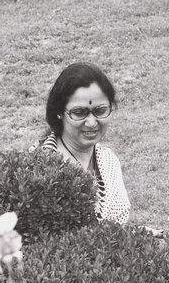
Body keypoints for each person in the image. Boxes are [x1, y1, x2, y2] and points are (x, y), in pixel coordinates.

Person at [31, 62, 131, 225]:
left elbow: (114, 230)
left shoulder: (108, 160)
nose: (92, 123)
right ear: (59, 112)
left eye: (100, 111)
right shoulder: (40, 168)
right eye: (79, 113)